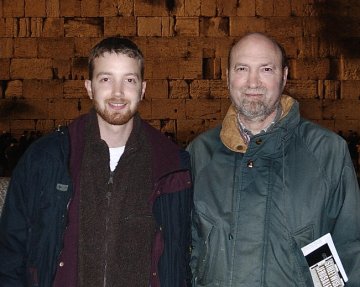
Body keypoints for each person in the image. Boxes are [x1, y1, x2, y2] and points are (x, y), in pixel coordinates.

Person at [0, 37, 193, 287]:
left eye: (129, 80)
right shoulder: (45, 159)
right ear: (89, 87)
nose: (118, 93)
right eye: (106, 79)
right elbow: (10, 252)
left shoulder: (173, 165)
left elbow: (183, 259)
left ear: (143, 89)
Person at [187, 32, 360, 286]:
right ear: (227, 77)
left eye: (266, 69)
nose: (253, 82)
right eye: (242, 68)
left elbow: (349, 251)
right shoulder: (199, 154)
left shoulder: (328, 153)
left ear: (284, 76)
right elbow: (185, 249)